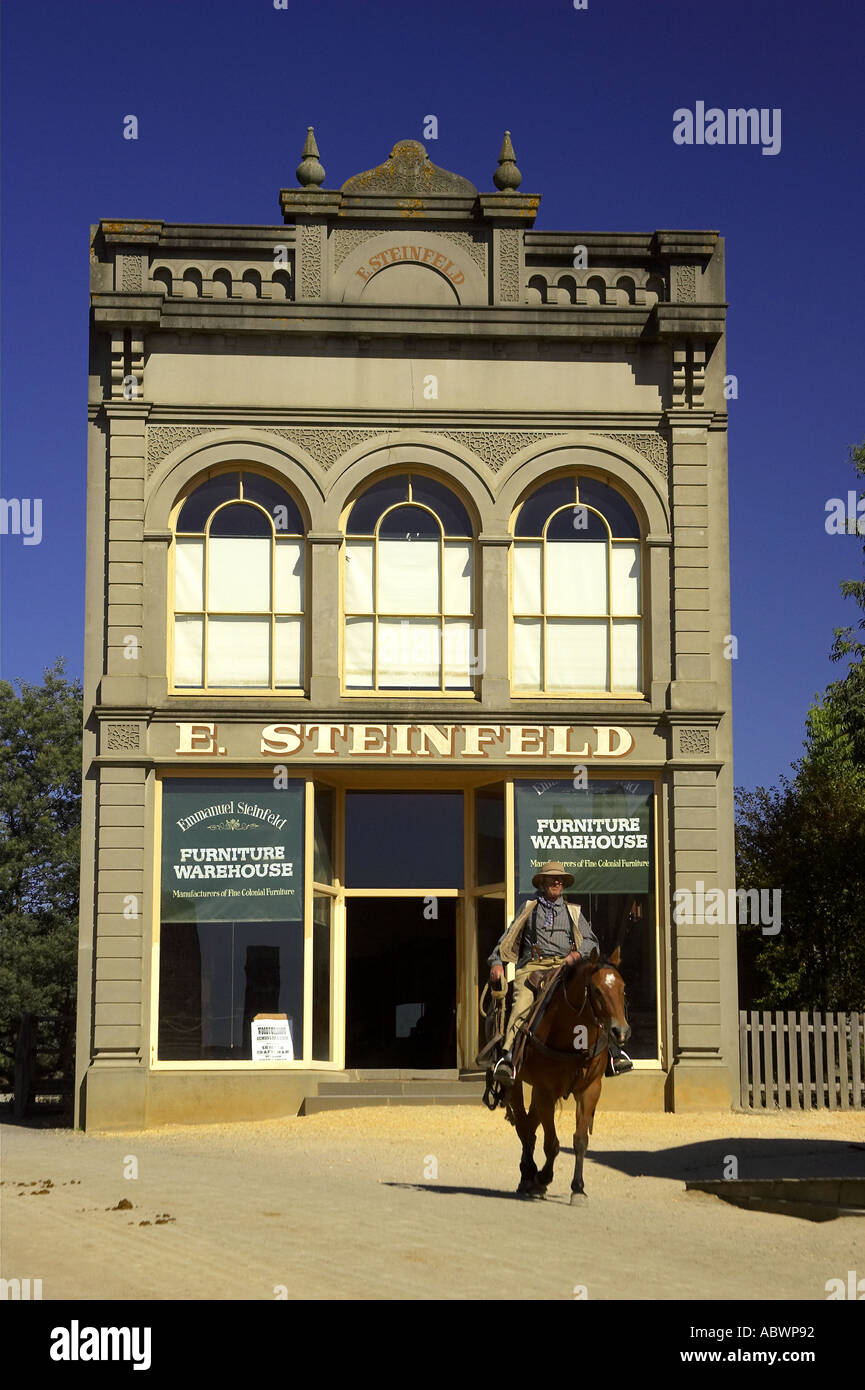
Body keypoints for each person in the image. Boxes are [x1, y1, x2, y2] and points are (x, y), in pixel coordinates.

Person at [489, 861, 633, 1084]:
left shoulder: (573, 911)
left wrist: (576, 955)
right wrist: (497, 962)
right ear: (542, 882)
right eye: (552, 879)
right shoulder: (529, 908)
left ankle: (615, 1053)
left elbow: (591, 942)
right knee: (521, 1005)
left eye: (560, 880)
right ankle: (508, 1059)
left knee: (594, 999)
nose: (557, 882)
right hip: (532, 970)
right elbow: (507, 939)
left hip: (565, 968)